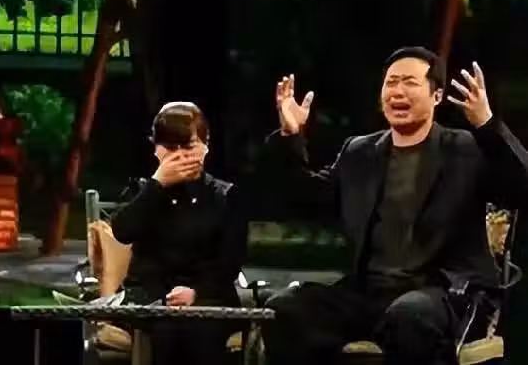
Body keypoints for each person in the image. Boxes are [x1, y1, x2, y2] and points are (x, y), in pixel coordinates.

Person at [260, 46, 528, 365]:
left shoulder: (465, 148)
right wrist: (290, 136)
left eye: (410, 82)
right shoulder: (359, 151)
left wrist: (487, 124)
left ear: (436, 96)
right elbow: (303, 199)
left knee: (409, 317)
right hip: (368, 292)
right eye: (391, 82)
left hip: (440, 292)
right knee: (286, 309)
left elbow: (521, 187)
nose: (397, 91)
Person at [110, 101, 249, 365]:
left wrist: (196, 292)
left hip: (210, 296)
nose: (179, 156)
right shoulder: (144, 191)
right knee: (166, 327)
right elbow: (122, 231)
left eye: (188, 146)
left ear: (206, 146)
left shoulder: (225, 196)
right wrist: (157, 185)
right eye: (170, 148)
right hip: (151, 297)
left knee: (199, 328)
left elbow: (230, 262)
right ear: (156, 149)